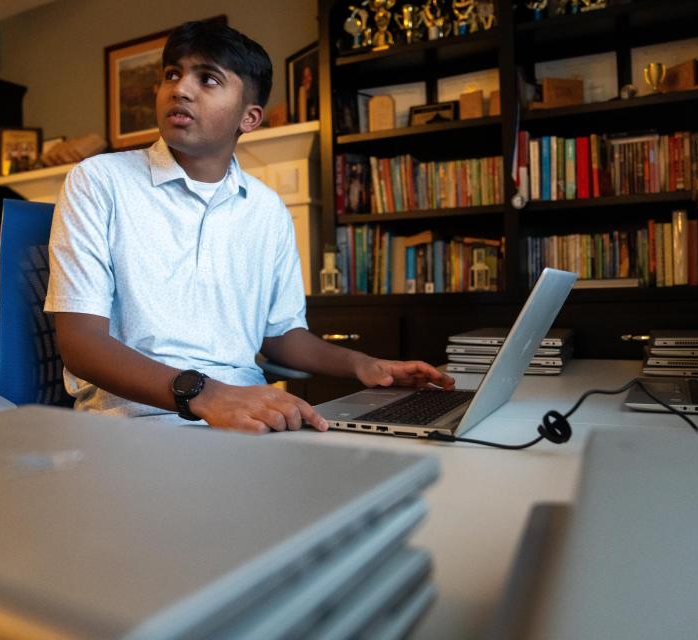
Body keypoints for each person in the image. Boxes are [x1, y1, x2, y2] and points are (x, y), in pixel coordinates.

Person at [45, 20, 453, 433]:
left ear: (250, 117)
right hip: (133, 423)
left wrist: (364, 365)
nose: (180, 88)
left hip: (249, 418)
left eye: (207, 79)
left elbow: (281, 336)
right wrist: (206, 395)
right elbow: (80, 344)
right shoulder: (99, 181)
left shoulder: (267, 210)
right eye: (172, 73)